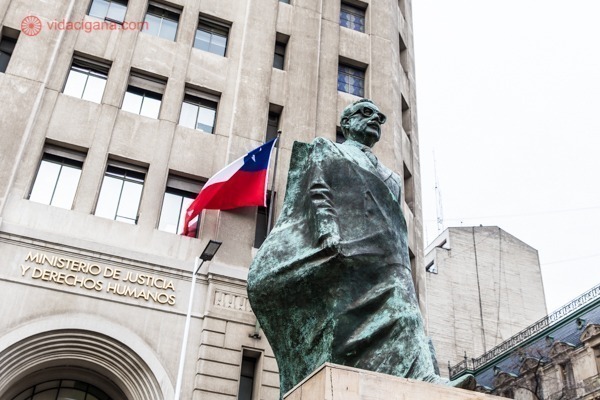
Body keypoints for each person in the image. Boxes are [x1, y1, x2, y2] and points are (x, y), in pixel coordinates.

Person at [247, 99, 474, 397]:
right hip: (342, 249)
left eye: (379, 117)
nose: (375, 120)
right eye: (366, 113)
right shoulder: (327, 149)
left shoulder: (393, 179)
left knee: (405, 310)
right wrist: (327, 231)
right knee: (385, 312)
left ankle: (423, 374)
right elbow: (316, 190)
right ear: (346, 123)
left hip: (385, 258)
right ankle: (414, 374)